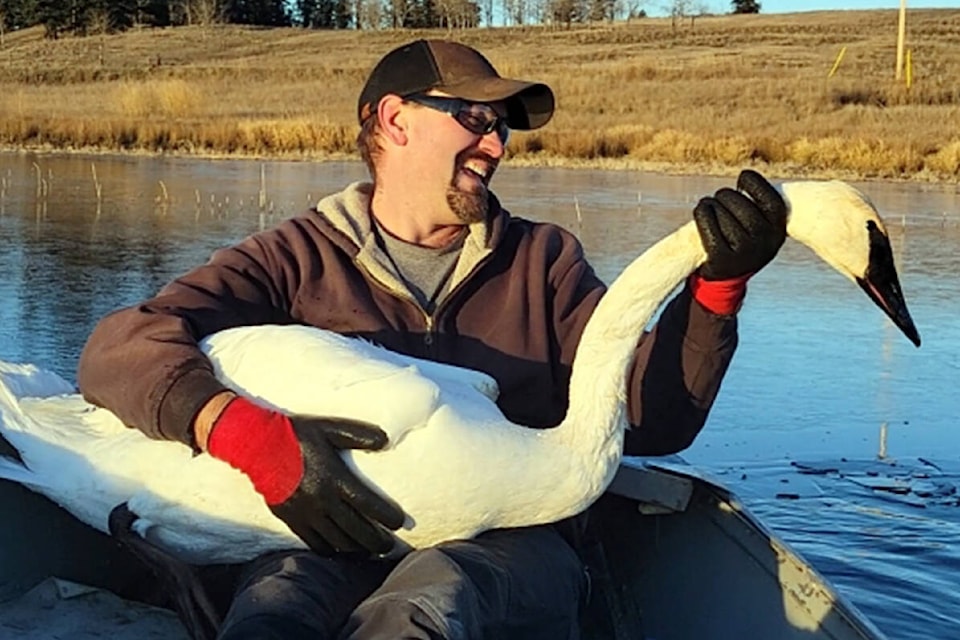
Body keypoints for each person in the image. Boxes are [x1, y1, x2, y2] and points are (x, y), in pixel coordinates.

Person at [78, 39, 786, 640]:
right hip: (328, 529)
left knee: (429, 605)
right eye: (474, 119)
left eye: (502, 127)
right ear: (394, 120)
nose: (495, 144)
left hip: (507, 542)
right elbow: (120, 348)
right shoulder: (291, 260)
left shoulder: (543, 264)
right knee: (278, 606)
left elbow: (648, 419)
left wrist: (713, 294)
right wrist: (240, 433)